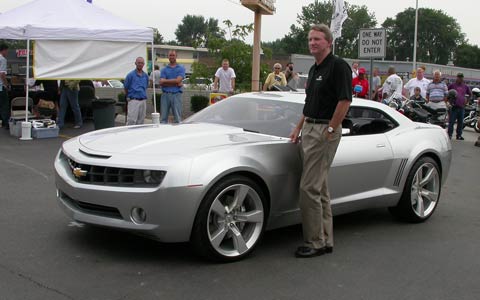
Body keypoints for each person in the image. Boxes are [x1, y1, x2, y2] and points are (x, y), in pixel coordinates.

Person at [289, 24, 352, 258]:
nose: (312, 42)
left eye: (317, 39)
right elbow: (309, 105)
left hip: (325, 130)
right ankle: (325, 240)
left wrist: (331, 129)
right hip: (309, 127)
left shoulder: (338, 66)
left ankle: (314, 242)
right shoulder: (315, 69)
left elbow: (345, 101)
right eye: (310, 39)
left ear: (328, 42)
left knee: (308, 188)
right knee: (321, 188)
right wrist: (297, 128)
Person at [159, 50, 185, 123]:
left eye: (173, 55)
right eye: (170, 55)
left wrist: (165, 81)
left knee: (177, 118)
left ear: (176, 56)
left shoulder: (181, 68)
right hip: (165, 95)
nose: (171, 57)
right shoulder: (164, 69)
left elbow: (178, 80)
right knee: (163, 119)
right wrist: (176, 82)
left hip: (176, 95)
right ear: (168, 57)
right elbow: (161, 82)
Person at [124, 57, 149, 125]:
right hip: (133, 100)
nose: (140, 64)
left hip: (143, 100)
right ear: (135, 63)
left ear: (143, 64)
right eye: (139, 63)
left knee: (141, 121)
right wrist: (129, 97)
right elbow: (126, 87)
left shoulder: (146, 76)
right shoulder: (130, 75)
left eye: (142, 63)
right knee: (131, 121)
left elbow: (146, 87)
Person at [447, 73, 472, 140]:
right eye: (459, 77)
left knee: (460, 122)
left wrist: (467, 101)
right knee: (451, 122)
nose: (460, 79)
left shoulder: (465, 86)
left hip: (461, 107)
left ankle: (459, 135)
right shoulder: (452, 85)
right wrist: (448, 101)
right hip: (453, 106)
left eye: (461, 77)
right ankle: (449, 135)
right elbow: (446, 92)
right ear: (457, 77)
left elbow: (470, 94)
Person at [0, 43, 10, 130]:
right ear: (4, 50)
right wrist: (6, 84)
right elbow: (2, 74)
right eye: (7, 50)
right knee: (4, 105)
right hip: (1, 86)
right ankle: (6, 122)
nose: (7, 52)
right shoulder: (2, 59)